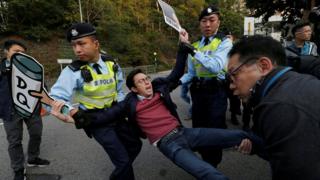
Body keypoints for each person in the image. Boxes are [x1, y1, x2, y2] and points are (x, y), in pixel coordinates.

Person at [50, 30, 262, 180]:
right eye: (141, 81)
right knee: (207, 173)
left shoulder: (150, 84)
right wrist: (78, 117)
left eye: (147, 79)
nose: (147, 82)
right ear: (134, 89)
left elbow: (177, 73)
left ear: (96, 43)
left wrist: (183, 47)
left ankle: (278, 150)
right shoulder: (128, 102)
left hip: (185, 133)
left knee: (239, 136)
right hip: (167, 143)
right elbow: (105, 112)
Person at [48, 23, 142, 180]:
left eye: (82, 43)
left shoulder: (112, 64)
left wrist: (125, 107)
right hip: (96, 121)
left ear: (96, 44)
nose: (77, 50)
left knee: (135, 146)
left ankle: (119, 175)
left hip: (116, 114)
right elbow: (54, 98)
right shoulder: (72, 72)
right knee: (123, 161)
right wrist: (72, 112)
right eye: (74, 45)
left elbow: (118, 91)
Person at [228, 35, 320, 179]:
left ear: (263, 66)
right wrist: (258, 145)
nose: (231, 85)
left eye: (234, 74)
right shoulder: (295, 83)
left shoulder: (280, 107)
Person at [178, 5, 233, 167]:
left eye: (211, 20)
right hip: (198, 92)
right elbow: (191, 73)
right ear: (200, 24)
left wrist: (192, 50)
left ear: (218, 22)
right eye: (204, 21)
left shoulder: (225, 42)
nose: (207, 24)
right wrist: (173, 83)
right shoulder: (196, 45)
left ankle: (212, 165)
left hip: (216, 92)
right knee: (199, 128)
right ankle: (204, 161)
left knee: (214, 130)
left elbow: (215, 66)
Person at [0, 40, 50, 180]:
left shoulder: (30, 67)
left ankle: (33, 158)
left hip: (31, 108)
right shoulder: (1, 69)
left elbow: (42, 86)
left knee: (36, 133)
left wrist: (45, 105)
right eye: (16, 51)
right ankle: (18, 170)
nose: (20, 55)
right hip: (10, 110)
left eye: (23, 53)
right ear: (6, 52)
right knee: (15, 141)